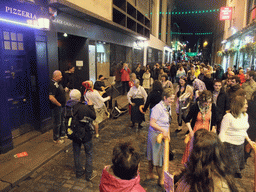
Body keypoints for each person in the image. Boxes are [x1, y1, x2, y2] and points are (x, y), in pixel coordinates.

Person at [219, 96, 256, 178]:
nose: (247, 105)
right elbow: (222, 133)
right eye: (244, 104)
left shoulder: (245, 115)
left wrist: (249, 140)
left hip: (240, 145)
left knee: (234, 170)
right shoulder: (228, 117)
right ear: (238, 105)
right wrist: (219, 148)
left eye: (246, 103)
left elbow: (243, 130)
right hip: (229, 145)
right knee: (231, 170)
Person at [146, 88, 175, 189]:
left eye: (173, 99)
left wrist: (168, 134)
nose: (172, 101)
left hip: (164, 135)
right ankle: (161, 180)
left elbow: (168, 122)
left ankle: (153, 174)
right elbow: (152, 123)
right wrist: (163, 131)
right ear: (165, 98)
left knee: (157, 156)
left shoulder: (168, 107)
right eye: (171, 99)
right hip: (156, 135)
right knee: (158, 158)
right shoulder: (157, 108)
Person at [66, 89, 97, 180]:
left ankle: (79, 172)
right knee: (89, 153)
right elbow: (93, 116)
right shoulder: (83, 107)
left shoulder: (67, 107)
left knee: (76, 153)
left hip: (74, 133)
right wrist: (91, 106)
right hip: (85, 134)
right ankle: (88, 174)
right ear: (79, 98)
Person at [182, 90, 217, 165]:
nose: (207, 104)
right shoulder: (195, 106)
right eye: (205, 102)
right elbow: (187, 119)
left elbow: (214, 120)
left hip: (207, 130)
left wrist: (213, 128)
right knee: (193, 149)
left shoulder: (212, 106)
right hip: (196, 130)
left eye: (209, 102)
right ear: (201, 101)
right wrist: (190, 131)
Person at [49, 70, 66, 144]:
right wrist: (58, 104)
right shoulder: (52, 85)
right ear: (56, 77)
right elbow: (51, 97)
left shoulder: (58, 84)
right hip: (56, 107)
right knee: (57, 123)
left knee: (62, 121)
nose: (61, 76)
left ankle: (62, 134)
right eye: (60, 75)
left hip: (62, 106)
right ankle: (56, 138)